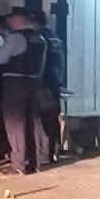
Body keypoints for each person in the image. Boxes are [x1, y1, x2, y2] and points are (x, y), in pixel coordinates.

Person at [0, 7, 50, 175]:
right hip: (34, 83)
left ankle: (18, 164)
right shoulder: (40, 39)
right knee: (33, 123)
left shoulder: (15, 38)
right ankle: (35, 162)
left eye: (10, 19)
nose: (8, 22)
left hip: (15, 84)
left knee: (15, 124)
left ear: (18, 20)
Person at [35, 9, 66, 164]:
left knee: (41, 121)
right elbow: (61, 63)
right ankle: (54, 152)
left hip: (42, 84)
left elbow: (40, 64)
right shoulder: (55, 38)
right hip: (54, 84)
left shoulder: (39, 38)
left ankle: (44, 154)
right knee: (53, 120)